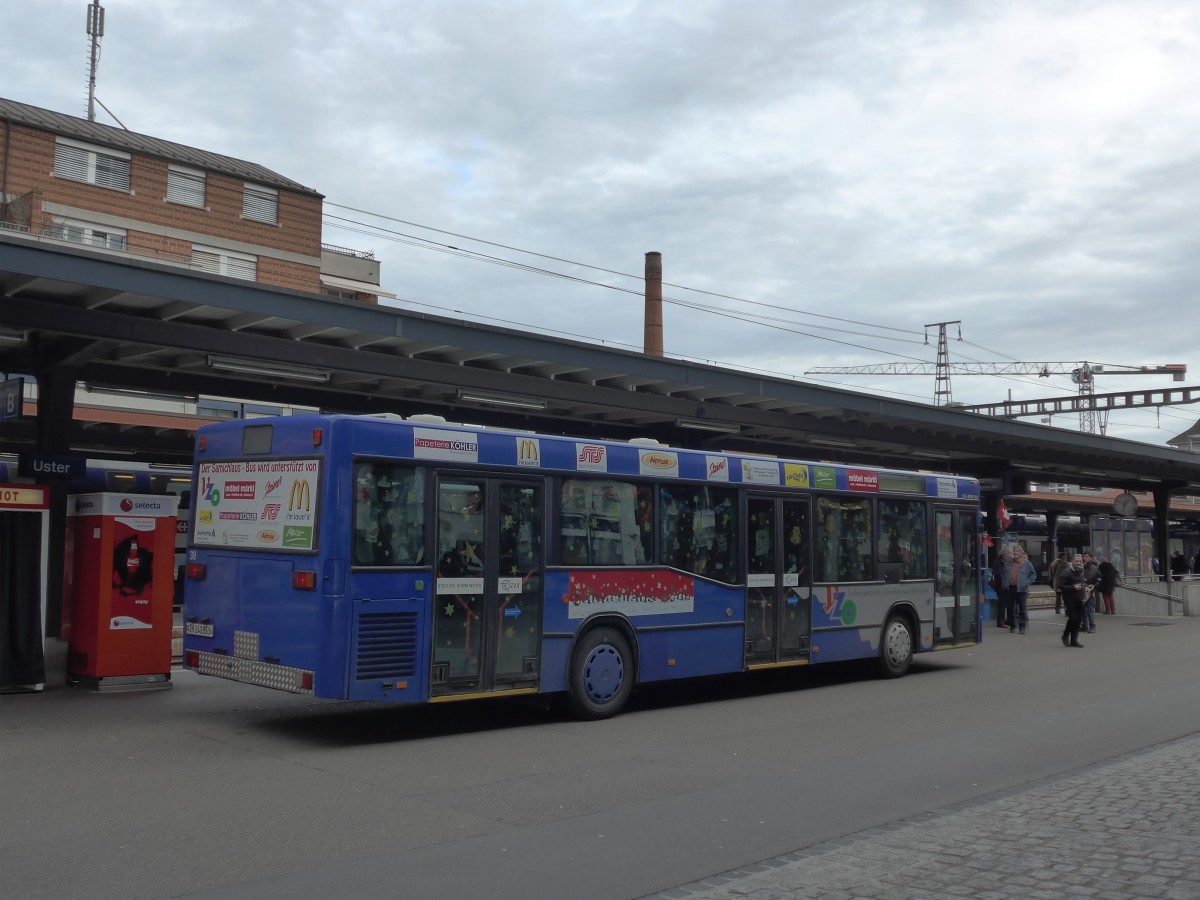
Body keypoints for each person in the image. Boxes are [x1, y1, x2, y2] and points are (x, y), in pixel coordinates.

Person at [1001, 546, 1038, 634]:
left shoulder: (1027, 563)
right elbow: (1003, 574)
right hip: (1010, 589)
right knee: (1010, 609)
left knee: (1022, 609)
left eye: (1017, 551)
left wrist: (1027, 582)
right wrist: (1004, 584)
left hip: (1022, 589)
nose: (1015, 552)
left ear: (1021, 552)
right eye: (1014, 551)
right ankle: (1013, 626)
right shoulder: (1008, 563)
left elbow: (1033, 574)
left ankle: (1022, 627)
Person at [1059, 554, 1088, 648]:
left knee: (1079, 619)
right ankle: (1065, 635)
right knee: (1073, 618)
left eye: (1080, 561)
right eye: (1077, 561)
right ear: (1072, 561)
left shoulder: (1080, 571)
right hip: (1069, 598)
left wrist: (1085, 587)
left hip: (1079, 598)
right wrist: (1073, 587)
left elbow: (1082, 582)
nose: (1079, 563)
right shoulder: (1066, 572)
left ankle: (1074, 640)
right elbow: (1061, 586)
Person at [991, 548, 1012, 628]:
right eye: (1009, 554)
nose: (1010, 555)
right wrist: (1006, 581)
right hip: (1001, 586)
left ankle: (1006, 620)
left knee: (1005, 603)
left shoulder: (1005, 562)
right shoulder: (999, 562)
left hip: (1004, 586)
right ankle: (1001, 622)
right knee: (1002, 604)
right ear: (1004, 555)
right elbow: (998, 574)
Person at [1081, 552, 1100, 633]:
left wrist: (1093, 585)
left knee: (1089, 608)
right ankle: (1084, 626)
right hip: (1083, 589)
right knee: (1083, 609)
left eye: (1087, 556)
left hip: (1089, 589)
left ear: (1091, 557)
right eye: (1084, 556)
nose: (1085, 557)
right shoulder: (1084, 566)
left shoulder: (1092, 567)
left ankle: (1092, 626)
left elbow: (1091, 578)